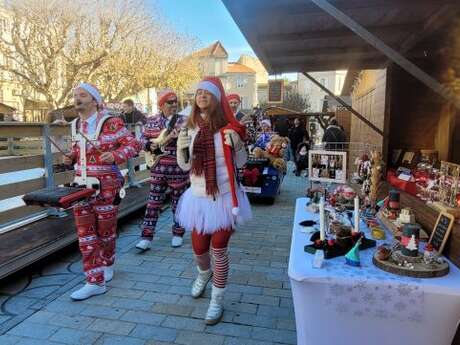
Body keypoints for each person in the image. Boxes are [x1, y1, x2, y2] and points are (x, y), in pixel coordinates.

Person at [175, 77, 252, 325]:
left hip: (225, 197)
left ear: (217, 98)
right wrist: (181, 148)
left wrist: (238, 146)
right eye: (198, 93)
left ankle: (217, 300)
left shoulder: (229, 128)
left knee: (218, 247)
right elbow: (185, 165)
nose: (201, 96)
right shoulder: (189, 127)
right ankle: (203, 274)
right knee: (199, 249)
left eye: (206, 93)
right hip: (198, 196)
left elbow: (240, 164)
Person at [63, 83, 141, 300]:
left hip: (107, 186)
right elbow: (78, 153)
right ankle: (94, 280)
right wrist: (70, 157)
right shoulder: (74, 125)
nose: (77, 98)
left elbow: (134, 144)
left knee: (105, 232)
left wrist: (115, 156)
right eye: (75, 95)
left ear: (95, 100)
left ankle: (108, 262)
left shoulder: (111, 122)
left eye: (82, 95)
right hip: (81, 186)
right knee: (85, 235)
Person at [136, 89, 190, 250]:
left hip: (178, 168)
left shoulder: (185, 121)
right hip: (157, 167)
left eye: (175, 101)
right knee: (153, 203)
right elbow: (141, 140)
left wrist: (182, 138)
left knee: (178, 203)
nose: (174, 104)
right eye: (170, 102)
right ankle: (146, 237)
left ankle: (178, 233)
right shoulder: (151, 121)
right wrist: (149, 145)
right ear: (161, 105)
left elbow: (193, 141)